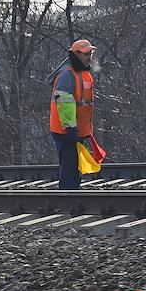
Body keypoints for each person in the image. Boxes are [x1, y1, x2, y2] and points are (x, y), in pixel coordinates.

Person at [47, 39, 95, 189]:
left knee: (73, 166)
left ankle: (71, 193)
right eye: (86, 53)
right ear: (76, 54)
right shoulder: (68, 74)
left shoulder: (83, 73)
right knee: (70, 167)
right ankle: (68, 196)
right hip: (66, 131)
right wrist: (70, 128)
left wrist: (85, 129)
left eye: (90, 53)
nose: (89, 57)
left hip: (75, 130)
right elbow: (64, 103)